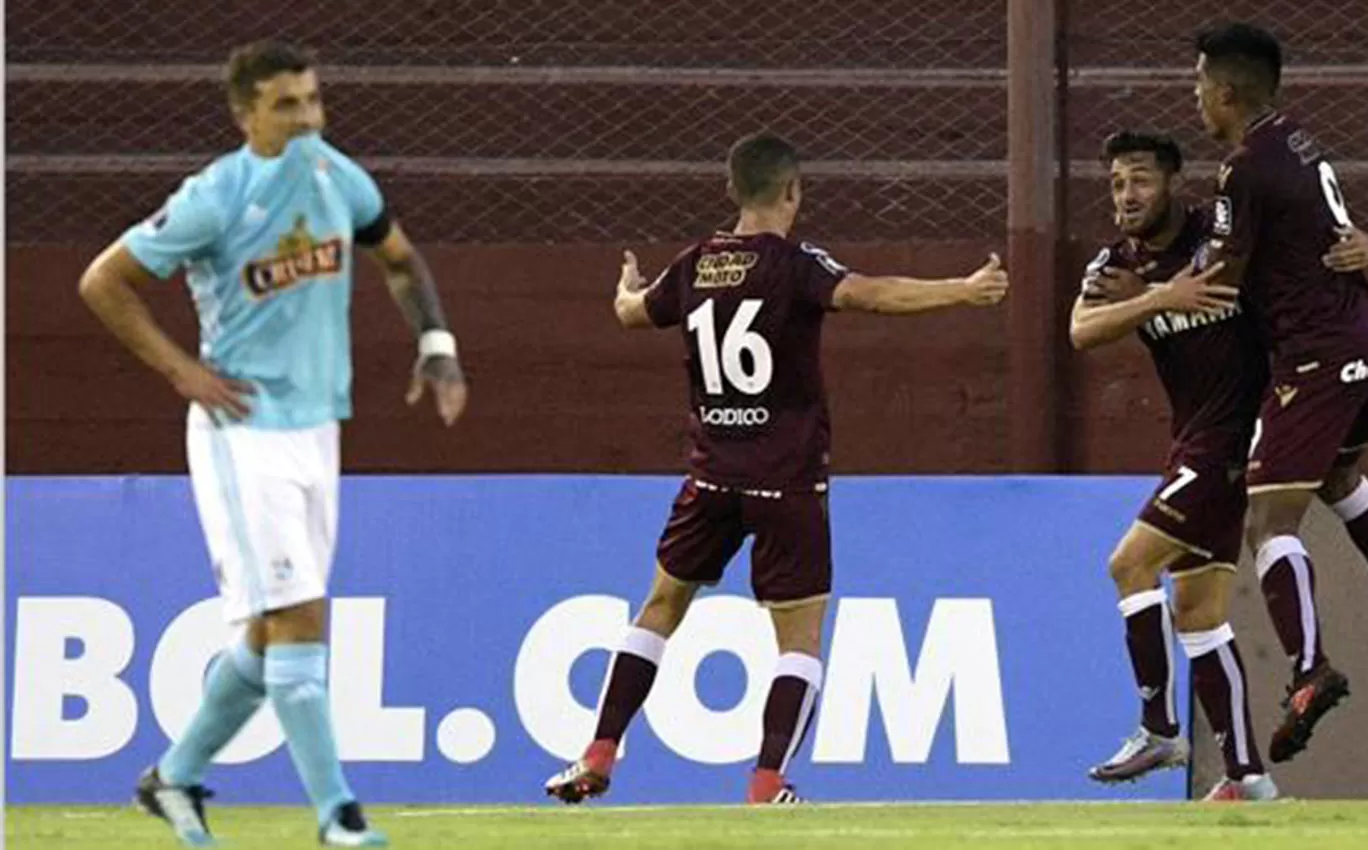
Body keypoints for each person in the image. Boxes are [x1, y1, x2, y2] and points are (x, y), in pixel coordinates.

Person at [78, 40, 467, 847]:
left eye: (313, 101)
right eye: (287, 105)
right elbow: (103, 282)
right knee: (298, 617)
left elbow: (397, 258)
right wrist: (183, 371)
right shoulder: (216, 197)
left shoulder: (337, 177)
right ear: (244, 112)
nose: (306, 118)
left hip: (318, 430)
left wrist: (436, 345)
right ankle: (338, 817)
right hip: (242, 432)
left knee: (266, 640)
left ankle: (174, 779)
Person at [543, 131, 1008, 805]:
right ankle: (767, 784)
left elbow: (630, 312)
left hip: (710, 479)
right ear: (793, 191)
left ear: (732, 191)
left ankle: (599, 750)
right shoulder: (793, 264)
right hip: (786, 480)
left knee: (660, 607)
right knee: (799, 639)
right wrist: (962, 291)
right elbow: (872, 294)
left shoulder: (695, 263)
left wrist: (623, 289)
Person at [1072, 130, 1368, 801]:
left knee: (1128, 564)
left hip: (1236, 439)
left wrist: (1366, 246)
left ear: (1174, 184)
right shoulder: (1118, 260)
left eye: (1142, 180)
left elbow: (1312, 248)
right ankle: (1246, 778)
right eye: (1118, 182)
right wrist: (1158, 298)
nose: (1127, 195)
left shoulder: (1218, 242)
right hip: (1192, 438)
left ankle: (1158, 726)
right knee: (1199, 611)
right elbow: (1080, 329)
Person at [1192, 22, 1368, 764]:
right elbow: (1332, 230)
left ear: (1229, 91)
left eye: (1200, 85)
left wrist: (1153, 295)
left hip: (1318, 359)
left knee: (1268, 521)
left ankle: (1309, 669)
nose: (1196, 98)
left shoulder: (1242, 169)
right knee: (1341, 477)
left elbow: (1224, 282)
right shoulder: (1298, 140)